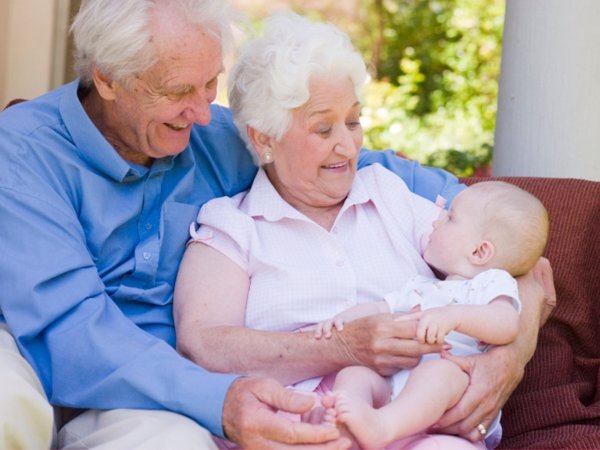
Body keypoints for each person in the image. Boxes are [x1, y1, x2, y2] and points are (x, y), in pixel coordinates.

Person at [0, 1, 506, 449]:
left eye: (209, 85)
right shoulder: (20, 153)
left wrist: (512, 347)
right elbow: (68, 332)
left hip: (150, 395)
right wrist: (220, 398)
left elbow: (470, 212)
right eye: (179, 91)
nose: (202, 115)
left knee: (169, 441)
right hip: (38, 350)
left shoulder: (218, 137)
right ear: (108, 78)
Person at [173, 11, 555, 450]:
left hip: (416, 418)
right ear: (264, 140)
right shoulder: (233, 228)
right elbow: (204, 346)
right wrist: (340, 348)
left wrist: (510, 356)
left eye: (353, 121)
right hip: (301, 425)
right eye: (323, 127)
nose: (348, 144)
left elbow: (513, 256)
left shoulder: (390, 194)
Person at [309, 181, 549, 449]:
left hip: (451, 397)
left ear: (479, 251)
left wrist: (455, 316)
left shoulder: (492, 283)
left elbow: (506, 324)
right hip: (396, 387)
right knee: (355, 374)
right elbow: (380, 309)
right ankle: (346, 424)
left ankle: (381, 427)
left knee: (439, 373)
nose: (435, 222)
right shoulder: (422, 287)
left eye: (450, 218)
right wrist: (341, 320)